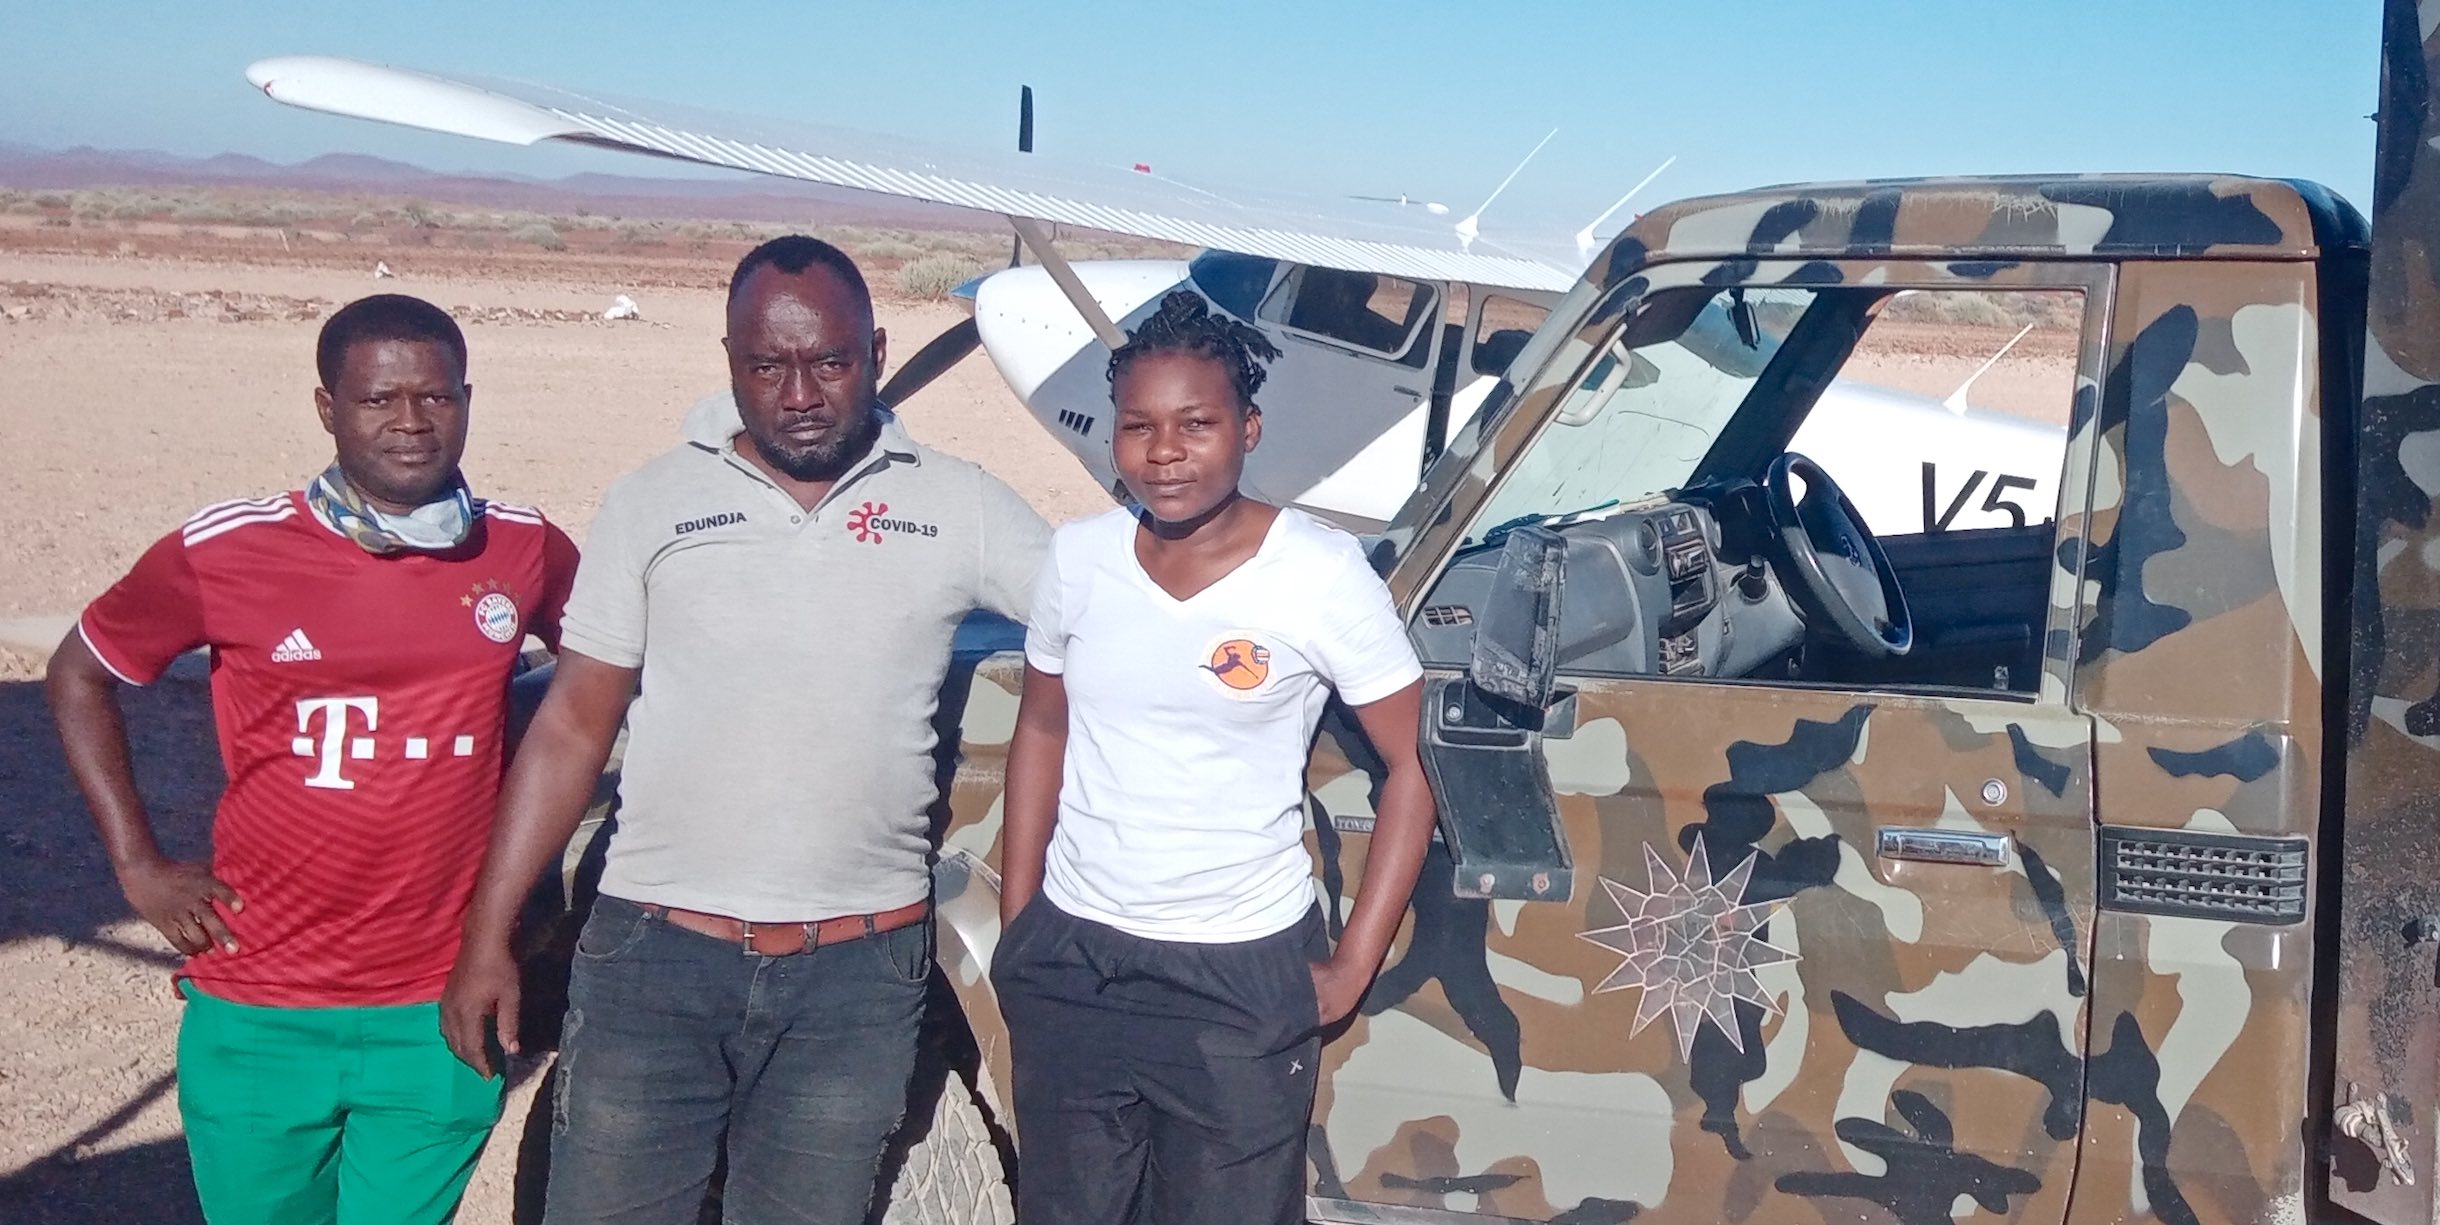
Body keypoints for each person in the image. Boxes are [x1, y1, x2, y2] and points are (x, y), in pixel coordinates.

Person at [439, 234, 1052, 1223]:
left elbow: (1116, 617)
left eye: (831, 361)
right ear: (731, 361)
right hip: (655, 966)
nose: (801, 392)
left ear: (878, 353)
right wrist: (487, 936)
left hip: (856, 984)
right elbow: (570, 726)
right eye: (769, 364)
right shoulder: (654, 502)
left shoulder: (959, 504)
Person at [46, 293, 579, 1224]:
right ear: (329, 406)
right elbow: (80, 672)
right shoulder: (229, 550)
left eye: (437, 397)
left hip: (445, 999)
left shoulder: (524, 548)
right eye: (379, 400)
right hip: (261, 1004)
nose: (411, 424)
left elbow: (599, 689)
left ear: (466, 398)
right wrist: (136, 862)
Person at [995, 290, 1438, 1225]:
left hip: (1236, 975)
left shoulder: (1320, 574)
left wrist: (1354, 962)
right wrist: (1021, 922)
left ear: (1250, 426)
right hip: (1076, 963)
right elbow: (1042, 729)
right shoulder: (1080, 559)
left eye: (1198, 423)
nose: (1165, 451)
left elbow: (1415, 766)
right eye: (1138, 427)